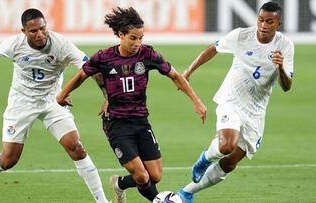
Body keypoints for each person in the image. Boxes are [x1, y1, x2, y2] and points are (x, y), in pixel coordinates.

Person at [56, 7, 207, 203]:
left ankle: (120, 184)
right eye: (133, 38)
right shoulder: (104, 57)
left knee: (155, 176)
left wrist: (197, 101)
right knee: (142, 176)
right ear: (120, 35)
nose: (138, 43)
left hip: (141, 121)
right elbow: (80, 76)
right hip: (116, 124)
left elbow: (176, 76)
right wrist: (61, 96)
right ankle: (159, 200)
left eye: (141, 38)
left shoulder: (148, 55)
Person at [0, 8, 109, 203]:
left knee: (76, 148)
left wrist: (108, 97)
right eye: (33, 31)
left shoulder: (61, 44)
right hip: (21, 103)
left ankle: (102, 201)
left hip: (52, 101)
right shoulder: (14, 44)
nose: (40, 34)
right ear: (24, 32)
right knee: (8, 161)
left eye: (42, 28)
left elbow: (91, 68)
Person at [178, 2, 294, 202]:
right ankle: (205, 158)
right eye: (260, 20)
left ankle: (186, 192)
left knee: (230, 163)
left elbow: (287, 86)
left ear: (278, 24)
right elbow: (213, 48)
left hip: (256, 111)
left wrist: (281, 66)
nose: (263, 25)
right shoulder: (241, 35)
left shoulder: (285, 46)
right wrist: (188, 71)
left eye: (269, 21)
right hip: (231, 100)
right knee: (226, 146)